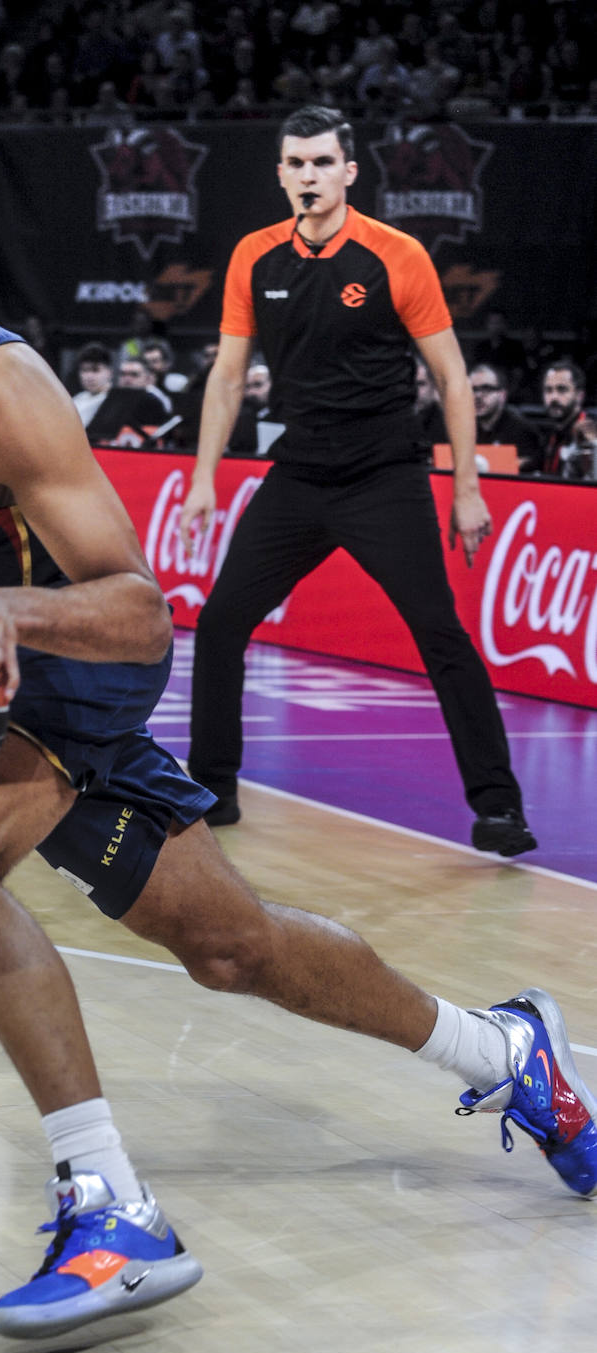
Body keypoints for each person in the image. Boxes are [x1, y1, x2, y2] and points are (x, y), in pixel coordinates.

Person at [0, 169, 594, 1342]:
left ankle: (111, 1212)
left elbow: (139, 610)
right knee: (231, 947)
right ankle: (508, 1048)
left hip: (73, 649)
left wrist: (5, 619)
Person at [179, 106, 535, 859]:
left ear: (348, 171)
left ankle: (498, 806)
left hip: (383, 475)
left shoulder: (394, 254)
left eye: (321, 163)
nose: (308, 176)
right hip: (297, 475)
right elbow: (228, 376)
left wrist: (464, 487)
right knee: (219, 625)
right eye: (295, 164)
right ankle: (212, 790)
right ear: (279, 173)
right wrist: (202, 478)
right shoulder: (254, 256)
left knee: (439, 636)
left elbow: (450, 377)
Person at [71, 342, 172, 448]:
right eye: (84, 370)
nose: (89, 376)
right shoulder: (77, 399)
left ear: (109, 372)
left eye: (95, 370)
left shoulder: (144, 400)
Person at [525, 360, 597, 481]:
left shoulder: (590, 431)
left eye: (562, 389)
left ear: (579, 395)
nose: (554, 397)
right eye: (548, 390)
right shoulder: (550, 433)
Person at [469, 361, 543, 471]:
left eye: (486, 389)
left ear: (502, 395)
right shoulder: (462, 428)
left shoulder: (522, 431)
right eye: (473, 390)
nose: (478, 396)